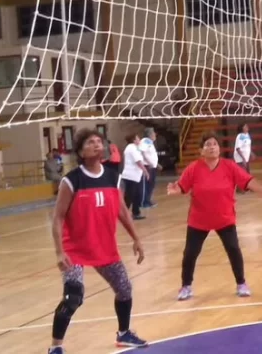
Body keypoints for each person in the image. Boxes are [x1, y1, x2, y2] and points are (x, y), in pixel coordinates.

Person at [48, 128, 147, 354]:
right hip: (74, 249)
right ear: (81, 152)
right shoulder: (72, 180)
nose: (96, 144)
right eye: (90, 142)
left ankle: (124, 333)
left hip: (103, 247)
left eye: (98, 141)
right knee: (73, 297)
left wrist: (136, 238)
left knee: (125, 289)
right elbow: (58, 217)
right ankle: (55, 347)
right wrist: (59, 251)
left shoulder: (113, 177)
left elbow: (122, 211)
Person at [167, 132, 262, 301]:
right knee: (190, 253)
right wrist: (176, 190)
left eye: (214, 144)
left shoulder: (229, 166)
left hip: (224, 218)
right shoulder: (193, 168)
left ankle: (241, 283)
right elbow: (182, 186)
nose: (211, 147)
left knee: (233, 249)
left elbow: (247, 181)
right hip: (199, 219)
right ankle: (186, 286)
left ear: (219, 148)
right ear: (201, 151)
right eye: (207, 144)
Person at [121, 134, 149, 220]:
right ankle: (124, 214)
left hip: (134, 176)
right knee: (130, 196)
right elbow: (138, 161)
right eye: (138, 138)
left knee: (136, 195)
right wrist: (145, 171)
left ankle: (135, 213)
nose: (139, 140)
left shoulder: (133, 148)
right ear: (134, 140)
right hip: (131, 176)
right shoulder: (132, 148)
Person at [139, 128, 160, 208]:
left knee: (151, 184)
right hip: (147, 166)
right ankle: (144, 202)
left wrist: (156, 164)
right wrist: (150, 162)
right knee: (147, 185)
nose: (155, 134)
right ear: (150, 134)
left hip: (152, 166)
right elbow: (142, 152)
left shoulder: (150, 142)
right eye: (154, 133)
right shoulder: (145, 141)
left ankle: (148, 200)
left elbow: (151, 155)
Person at [234, 124, 252, 193]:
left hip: (246, 157)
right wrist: (243, 158)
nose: (247, 127)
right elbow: (238, 148)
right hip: (240, 158)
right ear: (242, 128)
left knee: (247, 173)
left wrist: (251, 154)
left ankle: (248, 187)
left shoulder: (248, 135)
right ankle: (239, 189)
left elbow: (247, 146)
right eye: (245, 127)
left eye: (247, 126)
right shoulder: (240, 136)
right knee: (242, 173)